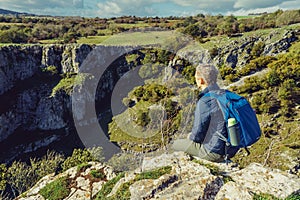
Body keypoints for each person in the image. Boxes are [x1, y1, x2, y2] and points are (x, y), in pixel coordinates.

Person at [172, 64, 238, 162]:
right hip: (230, 149)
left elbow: (197, 135)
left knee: (175, 144)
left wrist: (190, 137)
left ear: (201, 80)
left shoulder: (205, 101)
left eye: (196, 78)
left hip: (214, 152)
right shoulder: (225, 94)